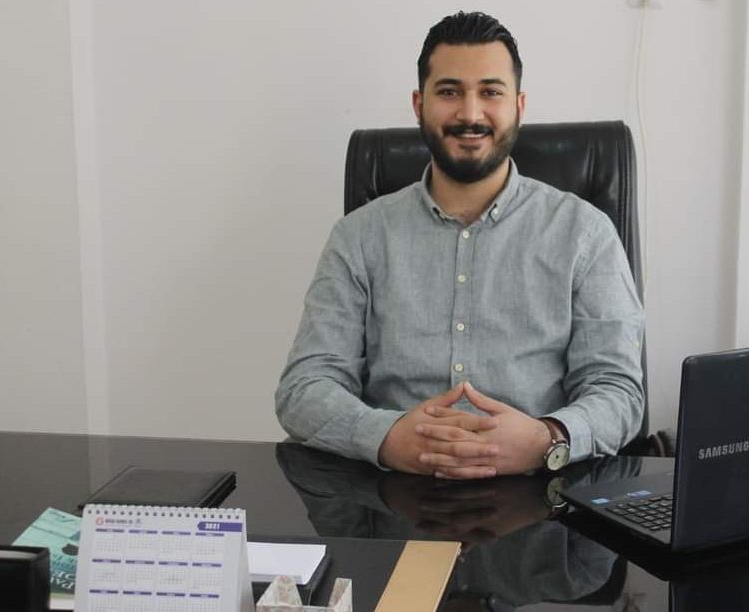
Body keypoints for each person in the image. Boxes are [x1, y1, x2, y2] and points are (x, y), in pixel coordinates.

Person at [276, 11, 644, 479]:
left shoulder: (585, 233)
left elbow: (619, 392)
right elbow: (305, 388)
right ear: (419, 104)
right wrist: (386, 437)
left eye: (491, 92)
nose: (470, 115)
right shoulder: (359, 236)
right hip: (392, 494)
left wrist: (546, 439)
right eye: (449, 92)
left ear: (519, 105)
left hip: (542, 494)